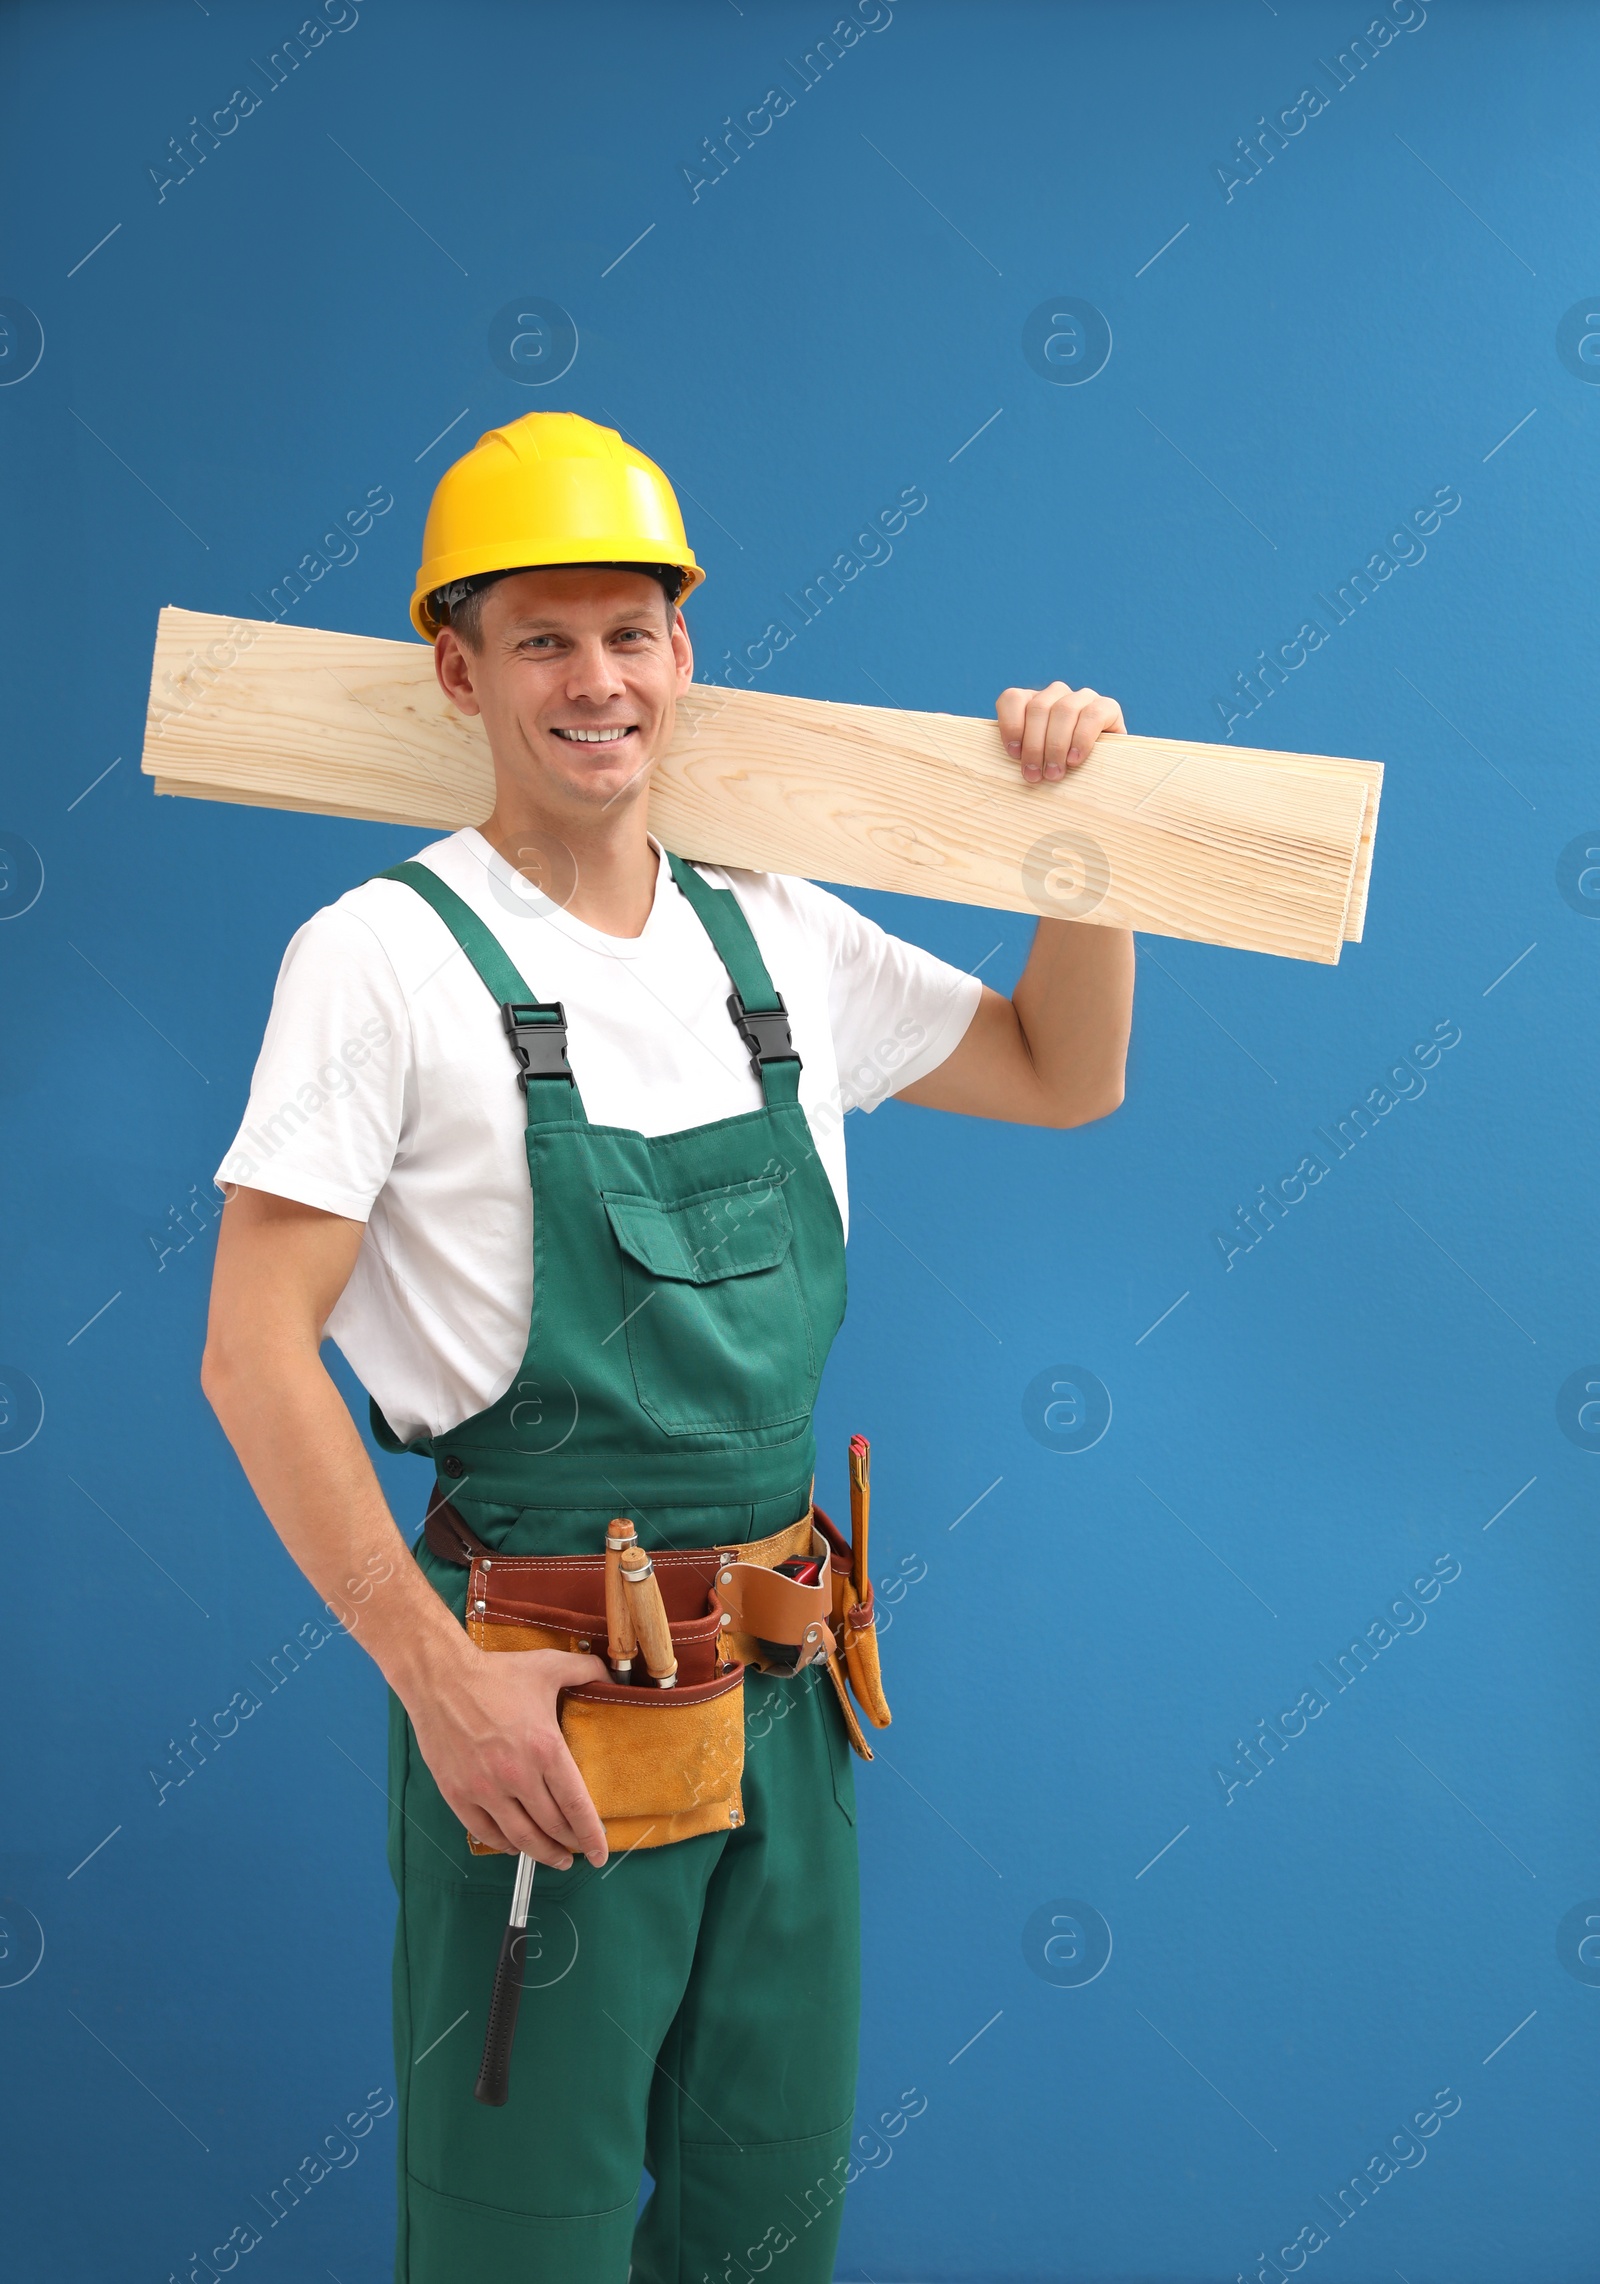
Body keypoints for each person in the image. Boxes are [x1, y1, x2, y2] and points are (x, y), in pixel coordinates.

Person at [200, 409, 1134, 2283]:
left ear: (685, 655)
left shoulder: (769, 939)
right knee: (522, 2242)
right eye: (542, 637)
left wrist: (1080, 840)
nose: (596, 679)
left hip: (786, 1687)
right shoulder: (379, 958)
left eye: (631, 631)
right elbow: (249, 1355)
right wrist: (433, 1680)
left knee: (764, 2226)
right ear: (457, 670)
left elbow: (1064, 1071)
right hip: (541, 1695)